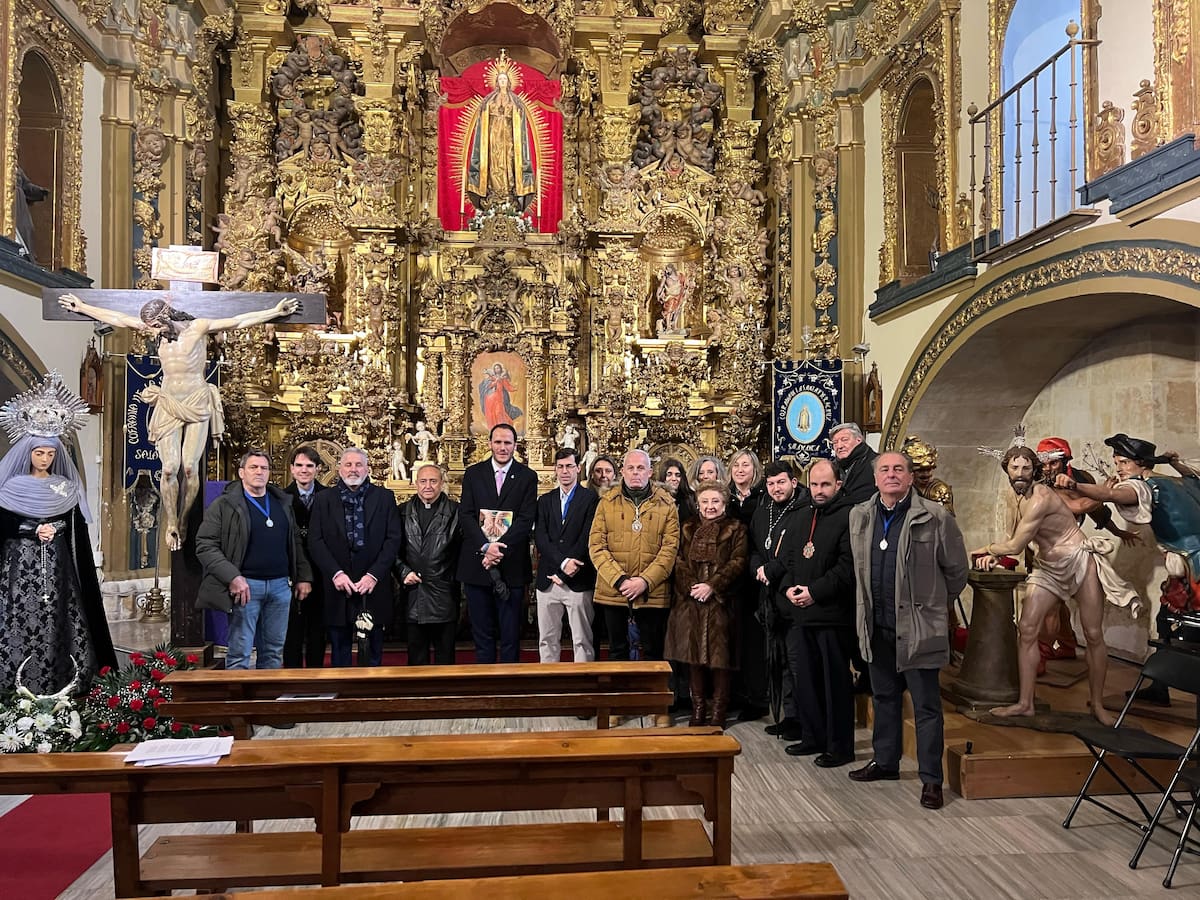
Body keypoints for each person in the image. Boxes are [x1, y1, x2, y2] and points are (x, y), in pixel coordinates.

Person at [58, 292, 299, 550]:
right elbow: (118, 317)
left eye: (158, 326)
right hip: (169, 400)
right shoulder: (156, 331)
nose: (153, 333)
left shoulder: (198, 327)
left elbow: (238, 320)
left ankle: (183, 520)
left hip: (196, 398)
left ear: (167, 316)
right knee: (170, 467)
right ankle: (171, 523)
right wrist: (82, 306)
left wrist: (275, 312)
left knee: (188, 467)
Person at [973, 445, 1139, 726]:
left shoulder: (1040, 497)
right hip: (1047, 567)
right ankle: (1025, 703)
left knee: (1093, 633)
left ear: (1034, 470)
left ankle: (1098, 706)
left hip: (1077, 560)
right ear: (1006, 470)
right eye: (1015, 468)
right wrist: (994, 556)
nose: (1020, 473)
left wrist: (986, 549)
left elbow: (1014, 545)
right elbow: (1012, 536)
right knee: (1027, 629)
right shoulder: (1014, 497)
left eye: (1026, 468)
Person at [848, 451, 967, 811]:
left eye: (899, 469)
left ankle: (932, 779)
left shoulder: (935, 517)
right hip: (877, 624)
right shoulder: (861, 516)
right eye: (884, 469)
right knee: (884, 698)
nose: (892, 474)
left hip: (918, 628)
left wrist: (931, 605)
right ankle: (886, 762)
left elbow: (957, 572)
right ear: (875, 479)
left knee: (926, 706)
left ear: (911, 477)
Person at [1055, 433, 1200, 706]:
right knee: (1166, 621)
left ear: (1141, 463)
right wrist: (1176, 464)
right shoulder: (1179, 481)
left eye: (1123, 462)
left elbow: (1111, 494)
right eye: (1117, 462)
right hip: (1188, 565)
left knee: (1186, 630)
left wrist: (1075, 485)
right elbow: (1195, 479)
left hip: (1193, 567)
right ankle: (1161, 687)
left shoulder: (1145, 487)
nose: (1119, 468)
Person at [0, 373, 115, 694]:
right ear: (28, 453)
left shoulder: (65, 487)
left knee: (58, 618)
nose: (45, 459)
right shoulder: (9, 487)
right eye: (39, 453)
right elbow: (3, 525)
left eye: (50, 454)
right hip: (18, 568)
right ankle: (12, 684)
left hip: (58, 565)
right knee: (16, 617)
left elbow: (75, 525)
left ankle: (62, 679)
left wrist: (57, 527)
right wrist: (32, 528)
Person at [196, 449, 312, 671]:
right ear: (241, 472)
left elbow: (294, 542)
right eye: (253, 467)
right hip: (246, 587)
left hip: (280, 587)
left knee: (274, 651)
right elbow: (205, 545)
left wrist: (303, 575)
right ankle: (237, 703)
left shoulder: (281, 502)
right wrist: (233, 577)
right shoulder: (224, 505)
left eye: (264, 468)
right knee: (240, 651)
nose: (259, 472)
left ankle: (267, 702)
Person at [1035, 436, 1140, 671]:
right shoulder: (1040, 484)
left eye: (1053, 463)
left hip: (1073, 549)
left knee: (1065, 603)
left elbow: (1098, 511)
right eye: (1045, 463)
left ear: (1065, 461)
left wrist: (1118, 532)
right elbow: (1077, 506)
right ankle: (1040, 657)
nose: (1048, 468)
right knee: (1050, 606)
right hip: (1045, 548)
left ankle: (1067, 644)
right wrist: (1104, 492)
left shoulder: (1081, 479)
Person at [778, 459, 856, 767]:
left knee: (834, 683)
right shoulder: (802, 516)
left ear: (838, 485)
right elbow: (789, 559)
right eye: (814, 484)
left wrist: (814, 592)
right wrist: (789, 588)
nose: (819, 491)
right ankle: (813, 737)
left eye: (825, 485)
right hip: (802, 613)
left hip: (833, 614)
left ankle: (839, 747)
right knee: (807, 681)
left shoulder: (850, 516)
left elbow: (847, 567)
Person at [307, 448, 402, 667]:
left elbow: (393, 539)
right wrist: (336, 574)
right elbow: (316, 541)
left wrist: (373, 575)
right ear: (339, 468)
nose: (353, 469)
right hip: (338, 586)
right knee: (339, 651)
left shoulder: (384, 497)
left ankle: (370, 696)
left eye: (358, 464)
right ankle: (342, 697)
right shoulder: (323, 499)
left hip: (372, 586)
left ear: (367, 468)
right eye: (348, 464)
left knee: (373, 650)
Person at [664, 481, 748, 727]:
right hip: (690, 602)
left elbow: (738, 561)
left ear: (724, 504)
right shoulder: (687, 527)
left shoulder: (736, 528)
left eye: (715, 502)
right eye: (705, 502)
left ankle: (719, 712)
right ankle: (698, 709)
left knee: (720, 661)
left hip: (721, 603)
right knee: (694, 660)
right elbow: (677, 560)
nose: (710, 507)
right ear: (698, 504)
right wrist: (693, 587)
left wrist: (712, 586)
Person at [456, 423, 538, 663]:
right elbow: (466, 515)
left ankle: (510, 689)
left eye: (508, 443)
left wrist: (498, 548)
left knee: (511, 633)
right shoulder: (474, 473)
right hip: (477, 563)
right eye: (498, 442)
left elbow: (525, 519)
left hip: (511, 564)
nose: (503, 447)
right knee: (482, 632)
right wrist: (485, 547)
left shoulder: (527, 477)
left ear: (515, 445)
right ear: (490, 443)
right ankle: (485, 686)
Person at [589, 449, 680, 664]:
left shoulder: (667, 505)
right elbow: (597, 546)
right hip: (613, 591)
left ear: (650, 472)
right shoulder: (607, 502)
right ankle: (619, 697)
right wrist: (620, 580)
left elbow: (669, 550)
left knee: (654, 652)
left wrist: (644, 581)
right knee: (617, 651)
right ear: (622, 472)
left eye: (641, 468)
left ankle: (651, 698)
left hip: (652, 593)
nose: (635, 473)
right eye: (631, 468)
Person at [750, 460, 810, 741]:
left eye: (781, 482)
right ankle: (789, 715)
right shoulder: (764, 510)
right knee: (780, 662)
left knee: (798, 663)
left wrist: (770, 570)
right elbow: (754, 546)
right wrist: (757, 569)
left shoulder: (805, 510)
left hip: (793, 596)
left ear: (793, 482)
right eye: (771, 483)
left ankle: (804, 720)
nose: (776, 488)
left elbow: (796, 552)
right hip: (770, 598)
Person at [534, 449, 599, 662]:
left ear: (578, 469)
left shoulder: (590, 499)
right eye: (560, 466)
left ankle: (583, 688)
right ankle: (550, 688)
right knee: (547, 639)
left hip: (578, 579)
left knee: (582, 640)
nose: (565, 471)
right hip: (548, 580)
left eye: (569, 466)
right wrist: (562, 563)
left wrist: (569, 567)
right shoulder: (545, 500)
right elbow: (541, 537)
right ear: (555, 469)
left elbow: (587, 536)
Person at [397, 464, 461, 666]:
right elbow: (390, 550)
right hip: (413, 593)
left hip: (444, 593)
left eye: (433, 481)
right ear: (415, 484)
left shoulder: (455, 512)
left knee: (445, 657)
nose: (428, 486)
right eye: (423, 481)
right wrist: (403, 571)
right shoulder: (402, 512)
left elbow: (462, 552)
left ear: (441, 484)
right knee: (416, 657)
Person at [463, 50, 538, 212]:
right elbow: (482, 121)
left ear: (509, 81)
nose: (503, 81)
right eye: (500, 79)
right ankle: (493, 191)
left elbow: (521, 124)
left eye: (505, 79)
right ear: (496, 82)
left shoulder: (516, 101)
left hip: (510, 138)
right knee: (494, 162)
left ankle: (509, 191)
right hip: (493, 137)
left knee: (509, 162)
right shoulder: (488, 100)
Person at [727, 448, 767, 722]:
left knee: (753, 642)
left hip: (755, 578)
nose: (741, 469)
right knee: (731, 639)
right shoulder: (726, 499)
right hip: (729, 579)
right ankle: (734, 695)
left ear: (755, 469)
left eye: (746, 465)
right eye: (736, 465)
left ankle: (757, 698)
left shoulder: (763, 498)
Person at [282, 445, 327, 668]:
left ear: (318, 469)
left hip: (322, 573)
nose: (304, 470)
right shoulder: (281, 498)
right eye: (299, 465)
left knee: (318, 630)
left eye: (309, 466)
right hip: (292, 573)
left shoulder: (328, 497)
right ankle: (291, 679)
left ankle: (316, 678)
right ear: (291, 469)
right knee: (293, 631)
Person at [831, 422, 879, 505]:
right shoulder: (831, 467)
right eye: (835, 442)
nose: (839, 446)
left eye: (844, 440)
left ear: (859, 440)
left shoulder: (877, 463)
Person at [478, 363, 522, 431]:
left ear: (500, 369)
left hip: (499, 397)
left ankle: (502, 428)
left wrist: (516, 388)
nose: (497, 369)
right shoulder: (491, 378)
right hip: (490, 398)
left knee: (499, 412)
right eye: (495, 368)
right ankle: (493, 429)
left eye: (498, 368)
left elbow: (508, 386)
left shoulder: (502, 378)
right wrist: (496, 381)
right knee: (491, 414)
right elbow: (488, 386)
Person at [658, 457, 697, 523]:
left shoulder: (690, 497)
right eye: (669, 474)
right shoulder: (656, 497)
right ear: (663, 476)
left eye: (677, 475)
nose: (674, 478)